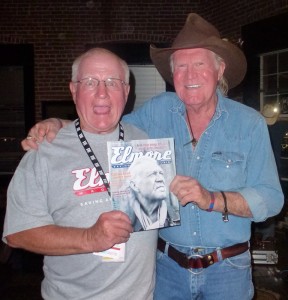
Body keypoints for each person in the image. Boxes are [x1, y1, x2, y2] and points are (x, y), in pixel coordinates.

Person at [20, 13, 284, 300]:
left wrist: (212, 199)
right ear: (173, 75)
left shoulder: (249, 124)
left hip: (228, 270)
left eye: (199, 64)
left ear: (219, 70)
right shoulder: (157, 111)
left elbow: (271, 199)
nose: (190, 75)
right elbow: (105, 124)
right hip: (167, 269)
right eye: (181, 67)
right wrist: (61, 124)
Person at [3, 48, 158, 300]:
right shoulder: (43, 151)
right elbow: (17, 234)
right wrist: (89, 237)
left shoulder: (146, 142)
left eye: (112, 82)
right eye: (89, 82)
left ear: (127, 92)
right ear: (74, 90)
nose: (102, 93)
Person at [125, 156, 169, 231]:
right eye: (152, 174)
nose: (160, 179)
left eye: (161, 173)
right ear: (134, 185)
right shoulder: (126, 219)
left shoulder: (175, 215)